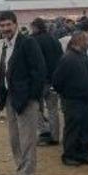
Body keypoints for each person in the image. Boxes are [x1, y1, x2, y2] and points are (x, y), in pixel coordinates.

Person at [0, 11, 47, 175]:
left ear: (16, 24)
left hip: (26, 100)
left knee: (27, 141)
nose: (6, 28)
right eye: (2, 26)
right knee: (14, 139)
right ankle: (21, 171)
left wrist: (32, 97)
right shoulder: (5, 45)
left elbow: (39, 71)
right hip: (10, 98)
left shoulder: (28, 43)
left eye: (8, 25)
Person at [52, 32, 88, 166]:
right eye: (87, 40)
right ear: (79, 41)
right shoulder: (68, 58)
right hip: (73, 100)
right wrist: (67, 94)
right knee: (73, 128)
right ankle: (69, 155)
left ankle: (83, 153)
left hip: (85, 99)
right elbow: (57, 81)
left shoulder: (81, 56)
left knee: (85, 128)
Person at [30, 17, 63, 146]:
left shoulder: (33, 41)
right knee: (53, 109)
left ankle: (44, 132)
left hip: (40, 81)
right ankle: (55, 137)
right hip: (54, 80)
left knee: (36, 108)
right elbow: (61, 58)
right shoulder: (54, 39)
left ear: (36, 27)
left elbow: (33, 62)